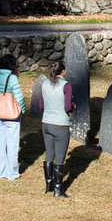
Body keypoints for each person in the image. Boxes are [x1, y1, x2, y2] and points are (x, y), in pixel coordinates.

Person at [37, 61, 75, 197]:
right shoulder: (66, 86)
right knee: (59, 158)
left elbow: (41, 106)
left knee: (49, 154)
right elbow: (67, 107)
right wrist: (73, 105)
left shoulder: (45, 84)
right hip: (60, 125)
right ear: (63, 71)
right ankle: (58, 190)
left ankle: (49, 185)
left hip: (46, 123)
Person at [0, 54, 25, 180]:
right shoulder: (12, 78)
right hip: (12, 115)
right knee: (12, 144)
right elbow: (18, 97)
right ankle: (11, 173)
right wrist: (22, 109)